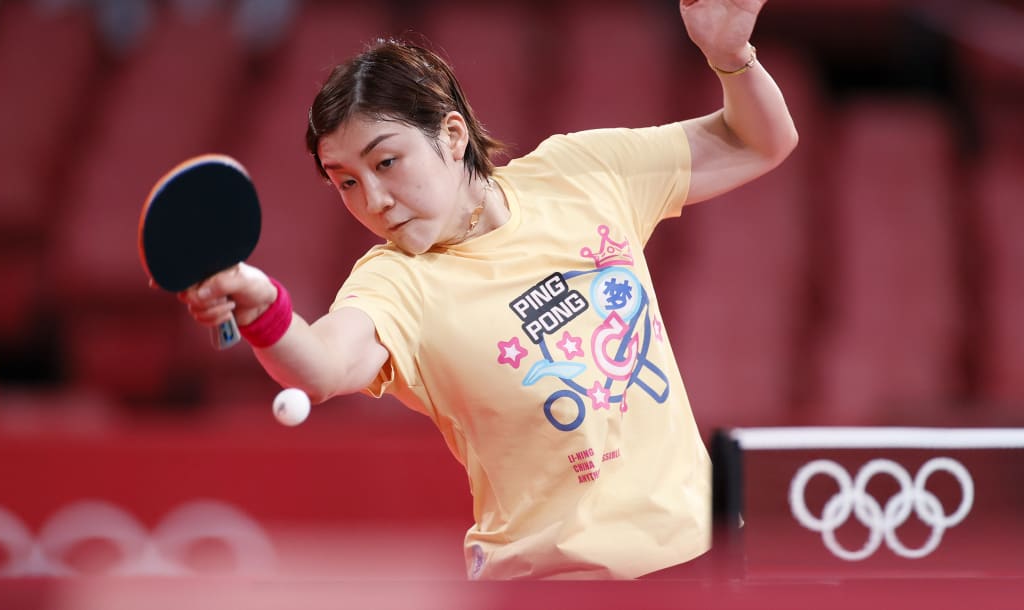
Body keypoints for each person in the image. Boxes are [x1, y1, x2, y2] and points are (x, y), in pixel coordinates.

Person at [179, 0, 797, 579]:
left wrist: (729, 55)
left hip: (706, 568)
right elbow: (319, 367)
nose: (374, 201)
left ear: (452, 135)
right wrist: (265, 308)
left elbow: (760, 140)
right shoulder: (397, 281)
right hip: (554, 587)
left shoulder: (583, 173)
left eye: (386, 162)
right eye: (345, 182)